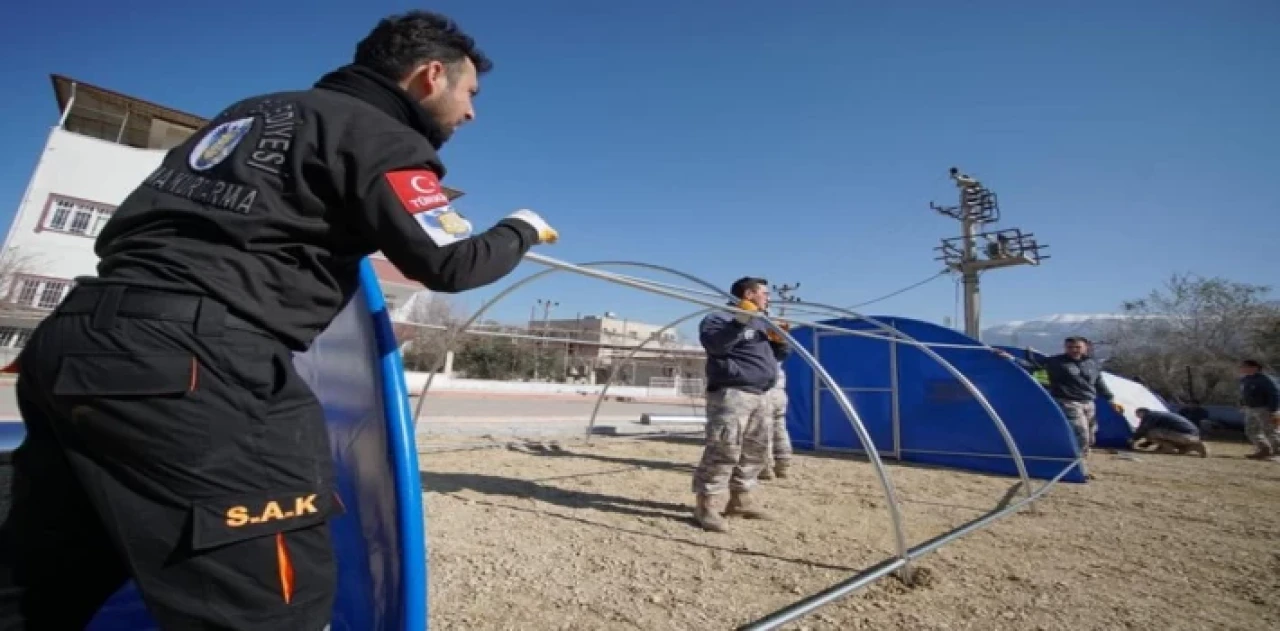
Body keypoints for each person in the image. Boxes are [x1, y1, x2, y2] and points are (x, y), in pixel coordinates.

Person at [0, 11, 558, 630]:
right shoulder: (377, 133)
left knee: (38, 583)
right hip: (194, 365)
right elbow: (450, 261)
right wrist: (521, 229)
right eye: (469, 93)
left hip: (77, 338)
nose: (471, 112)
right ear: (430, 76)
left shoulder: (250, 113)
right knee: (269, 608)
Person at [692, 277, 789, 532]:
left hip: (760, 394)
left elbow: (773, 358)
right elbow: (716, 345)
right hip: (732, 394)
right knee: (724, 449)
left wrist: (781, 343)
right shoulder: (719, 319)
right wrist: (740, 321)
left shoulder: (761, 322)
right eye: (764, 294)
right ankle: (707, 505)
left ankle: (740, 500)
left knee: (755, 450)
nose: (768, 298)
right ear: (748, 294)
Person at [1000, 337, 1121, 478]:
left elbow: (1099, 382)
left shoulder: (1091, 363)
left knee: (1091, 436)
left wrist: (1110, 398)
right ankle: (1077, 469)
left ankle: (1080, 462)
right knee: (1081, 434)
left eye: (1077, 347)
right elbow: (1032, 366)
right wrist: (1011, 358)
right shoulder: (1057, 362)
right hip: (1068, 402)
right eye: (1070, 347)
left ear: (1085, 347)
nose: (1074, 350)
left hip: (1088, 402)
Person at [759, 319, 793, 481]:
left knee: (763, 428)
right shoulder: (782, 346)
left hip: (766, 390)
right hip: (780, 391)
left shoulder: (764, 347)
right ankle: (783, 465)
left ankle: (765, 467)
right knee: (779, 427)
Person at [1238, 359, 1280, 460]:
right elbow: (1244, 394)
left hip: (1266, 408)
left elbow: (1275, 394)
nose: (1242, 369)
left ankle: (1278, 452)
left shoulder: (1266, 379)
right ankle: (1264, 450)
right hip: (1251, 409)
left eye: (1245, 366)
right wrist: (1242, 404)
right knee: (1251, 430)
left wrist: (1273, 409)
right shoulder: (1245, 379)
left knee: (1271, 431)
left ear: (1254, 367)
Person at [1129, 408, 1208, 457]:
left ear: (1142, 412)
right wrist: (1146, 444)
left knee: (1149, 433)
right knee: (1154, 433)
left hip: (1184, 435)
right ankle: (1191, 447)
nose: (1139, 418)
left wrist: (1133, 439)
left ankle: (1168, 448)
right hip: (1192, 435)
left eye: (1138, 415)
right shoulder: (1158, 415)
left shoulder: (1150, 416)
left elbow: (1144, 429)